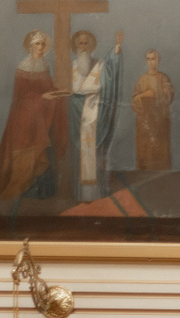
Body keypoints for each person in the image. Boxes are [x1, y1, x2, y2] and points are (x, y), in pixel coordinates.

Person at [0, 30, 67, 204]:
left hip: (43, 115)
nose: (40, 47)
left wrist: (57, 93)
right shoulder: (24, 66)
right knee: (30, 149)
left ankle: (44, 190)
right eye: (37, 44)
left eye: (42, 44)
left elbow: (47, 88)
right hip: (25, 117)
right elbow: (21, 97)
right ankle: (26, 189)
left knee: (45, 150)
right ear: (30, 46)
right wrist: (42, 98)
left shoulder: (44, 65)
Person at [68, 30, 122, 203]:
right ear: (76, 47)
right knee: (79, 154)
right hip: (76, 113)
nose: (83, 47)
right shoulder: (71, 66)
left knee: (96, 153)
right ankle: (80, 194)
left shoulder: (100, 64)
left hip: (96, 113)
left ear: (91, 46)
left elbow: (111, 70)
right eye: (80, 44)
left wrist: (117, 49)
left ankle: (97, 193)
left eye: (86, 43)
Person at [132, 50, 174, 170]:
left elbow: (168, 97)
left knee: (160, 148)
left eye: (153, 59)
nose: (151, 62)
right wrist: (143, 95)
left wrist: (159, 92)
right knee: (145, 150)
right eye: (148, 59)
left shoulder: (163, 78)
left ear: (158, 60)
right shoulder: (142, 79)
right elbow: (134, 99)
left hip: (160, 119)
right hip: (144, 121)